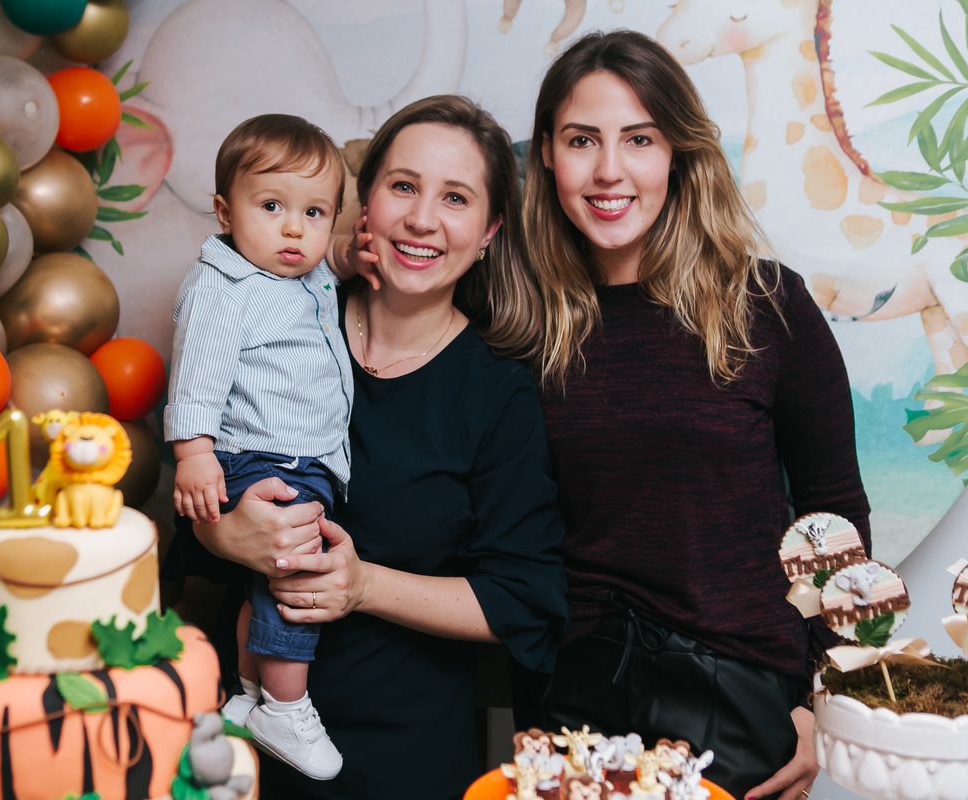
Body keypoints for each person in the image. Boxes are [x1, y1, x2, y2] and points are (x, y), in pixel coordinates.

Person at [165, 95, 569, 800]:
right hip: (238, 756)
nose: (422, 219)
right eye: (403, 186)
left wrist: (363, 587)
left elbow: (522, 602)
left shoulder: (497, 392)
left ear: (488, 232)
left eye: (455, 198)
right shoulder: (271, 317)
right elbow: (193, 504)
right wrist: (226, 535)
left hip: (401, 760)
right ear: (365, 203)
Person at [522, 30, 871, 800]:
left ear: (677, 151)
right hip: (575, 695)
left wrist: (825, 694)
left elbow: (833, 514)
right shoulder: (522, 321)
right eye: (581, 140)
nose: (608, 170)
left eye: (638, 139)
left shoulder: (768, 305)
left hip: (742, 694)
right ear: (546, 154)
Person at [164, 114, 351, 779]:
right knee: (297, 572)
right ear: (225, 212)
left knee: (262, 581)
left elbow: (330, 266)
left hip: (297, 455)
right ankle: (286, 706)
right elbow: (198, 375)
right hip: (264, 458)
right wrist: (194, 454)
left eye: (314, 213)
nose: (294, 229)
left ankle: (247, 696)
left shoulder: (305, 273)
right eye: (271, 207)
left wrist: (351, 255)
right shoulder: (225, 286)